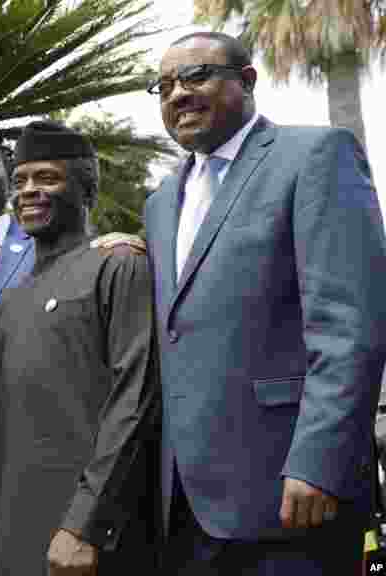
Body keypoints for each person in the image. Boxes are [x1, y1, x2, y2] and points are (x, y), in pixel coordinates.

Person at [144, 31, 386, 574]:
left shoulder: (315, 156)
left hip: (291, 494)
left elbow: (351, 328)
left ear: (247, 81)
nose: (177, 94)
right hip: (185, 505)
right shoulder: (160, 203)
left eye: (196, 76)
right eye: (162, 87)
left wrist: (320, 461)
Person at [0, 121, 158, 575]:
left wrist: (86, 524)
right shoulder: (9, 303)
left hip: (92, 538)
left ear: (86, 189)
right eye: (20, 181)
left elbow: (134, 402)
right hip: (14, 532)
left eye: (48, 178)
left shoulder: (118, 267)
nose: (29, 191)